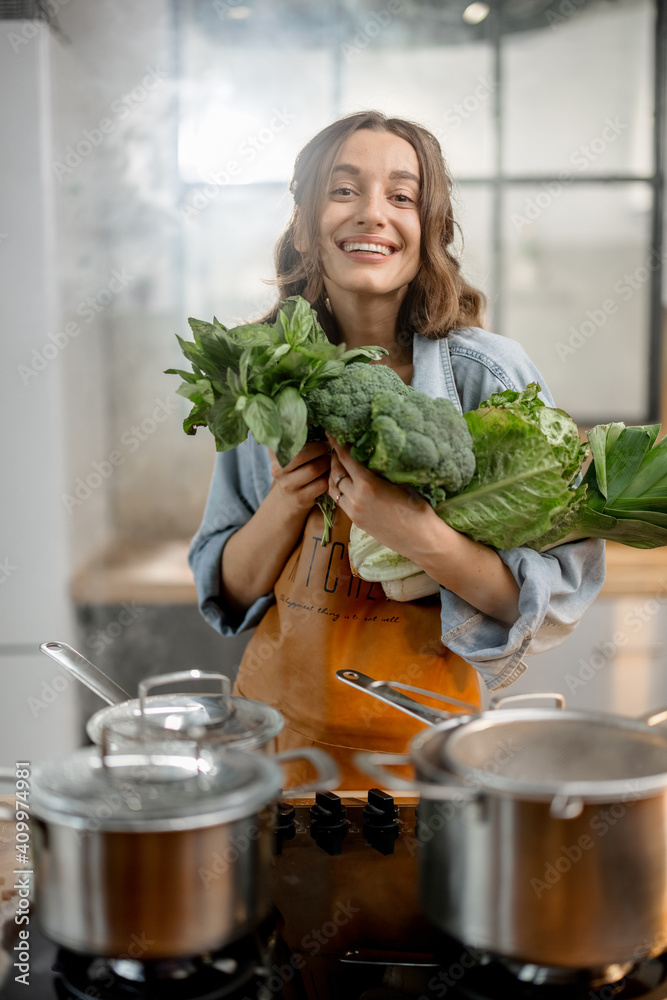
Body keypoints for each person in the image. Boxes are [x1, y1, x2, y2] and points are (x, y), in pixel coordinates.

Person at [189, 110, 606, 789]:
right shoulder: (265, 377)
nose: (372, 214)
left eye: (402, 196)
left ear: (429, 229)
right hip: (279, 747)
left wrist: (416, 535)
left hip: (428, 752)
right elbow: (229, 590)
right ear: (303, 223)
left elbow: (551, 598)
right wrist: (284, 505)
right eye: (343, 189)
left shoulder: (488, 377)